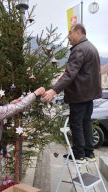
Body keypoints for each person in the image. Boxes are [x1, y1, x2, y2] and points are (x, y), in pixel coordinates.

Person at [43, 23, 102, 164]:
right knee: (86, 123)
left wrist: (53, 90)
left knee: (76, 124)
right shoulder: (92, 47)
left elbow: (70, 74)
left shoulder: (79, 49)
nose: (68, 36)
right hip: (89, 95)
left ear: (78, 32)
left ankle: (79, 155)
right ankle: (89, 152)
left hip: (79, 95)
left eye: (70, 33)